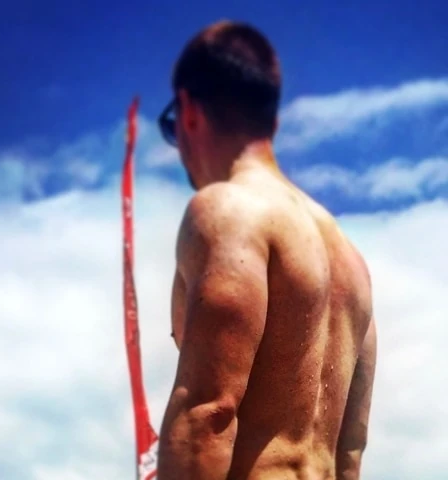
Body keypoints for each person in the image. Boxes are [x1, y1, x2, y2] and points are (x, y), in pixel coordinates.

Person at [156, 20, 376, 480]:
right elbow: (350, 452)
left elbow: (208, 415)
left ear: (189, 112)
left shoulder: (227, 210)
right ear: (272, 123)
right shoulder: (351, 261)